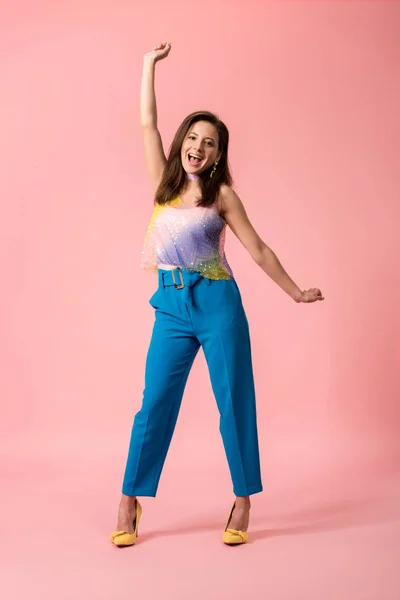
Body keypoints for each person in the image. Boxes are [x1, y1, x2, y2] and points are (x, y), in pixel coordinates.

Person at [110, 41, 324, 548]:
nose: (198, 147)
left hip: (219, 304)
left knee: (235, 400)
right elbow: (147, 124)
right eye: (193, 137)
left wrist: (294, 292)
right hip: (171, 307)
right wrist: (148, 66)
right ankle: (129, 497)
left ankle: (243, 498)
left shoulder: (222, 195)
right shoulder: (163, 186)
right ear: (182, 140)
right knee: (155, 403)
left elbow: (258, 248)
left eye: (209, 143)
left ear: (218, 153)